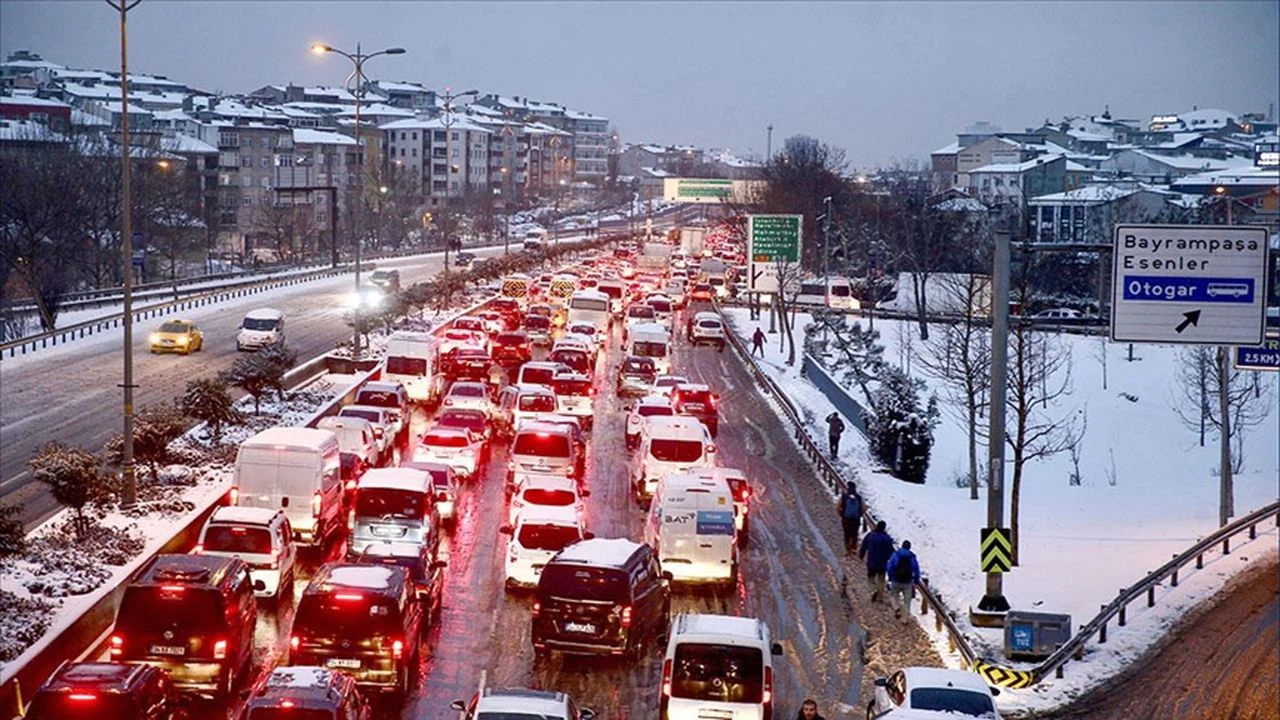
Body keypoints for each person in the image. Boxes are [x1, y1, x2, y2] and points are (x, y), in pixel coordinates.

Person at [859, 520, 894, 603]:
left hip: (872, 562)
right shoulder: (887, 539)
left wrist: (861, 555)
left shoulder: (870, 536)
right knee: (881, 580)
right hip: (882, 563)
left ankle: (873, 590)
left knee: (870, 578)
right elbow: (890, 552)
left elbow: (864, 546)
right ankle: (880, 597)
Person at [885, 540, 921, 620]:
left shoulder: (896, 555)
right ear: (909, 547)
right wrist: (916, 581)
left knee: (894, 596)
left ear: (902, 546)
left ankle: (896, 607)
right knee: (907, 601)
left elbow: (890, 567)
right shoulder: (912, 557)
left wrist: (890, 577)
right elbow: (917, 570)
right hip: (907, 582)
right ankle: (904, 619)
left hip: (896, 580)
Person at [837, 481, 862, 555]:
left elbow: (838, 507)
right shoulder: (858, 497)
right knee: (855, 534)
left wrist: (842, 514)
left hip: (846, 519)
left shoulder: (844, 496)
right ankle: (854, 548)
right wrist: (859, 515)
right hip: (855, 519)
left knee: (846, 534)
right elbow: (863, 508)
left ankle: (847, 549)